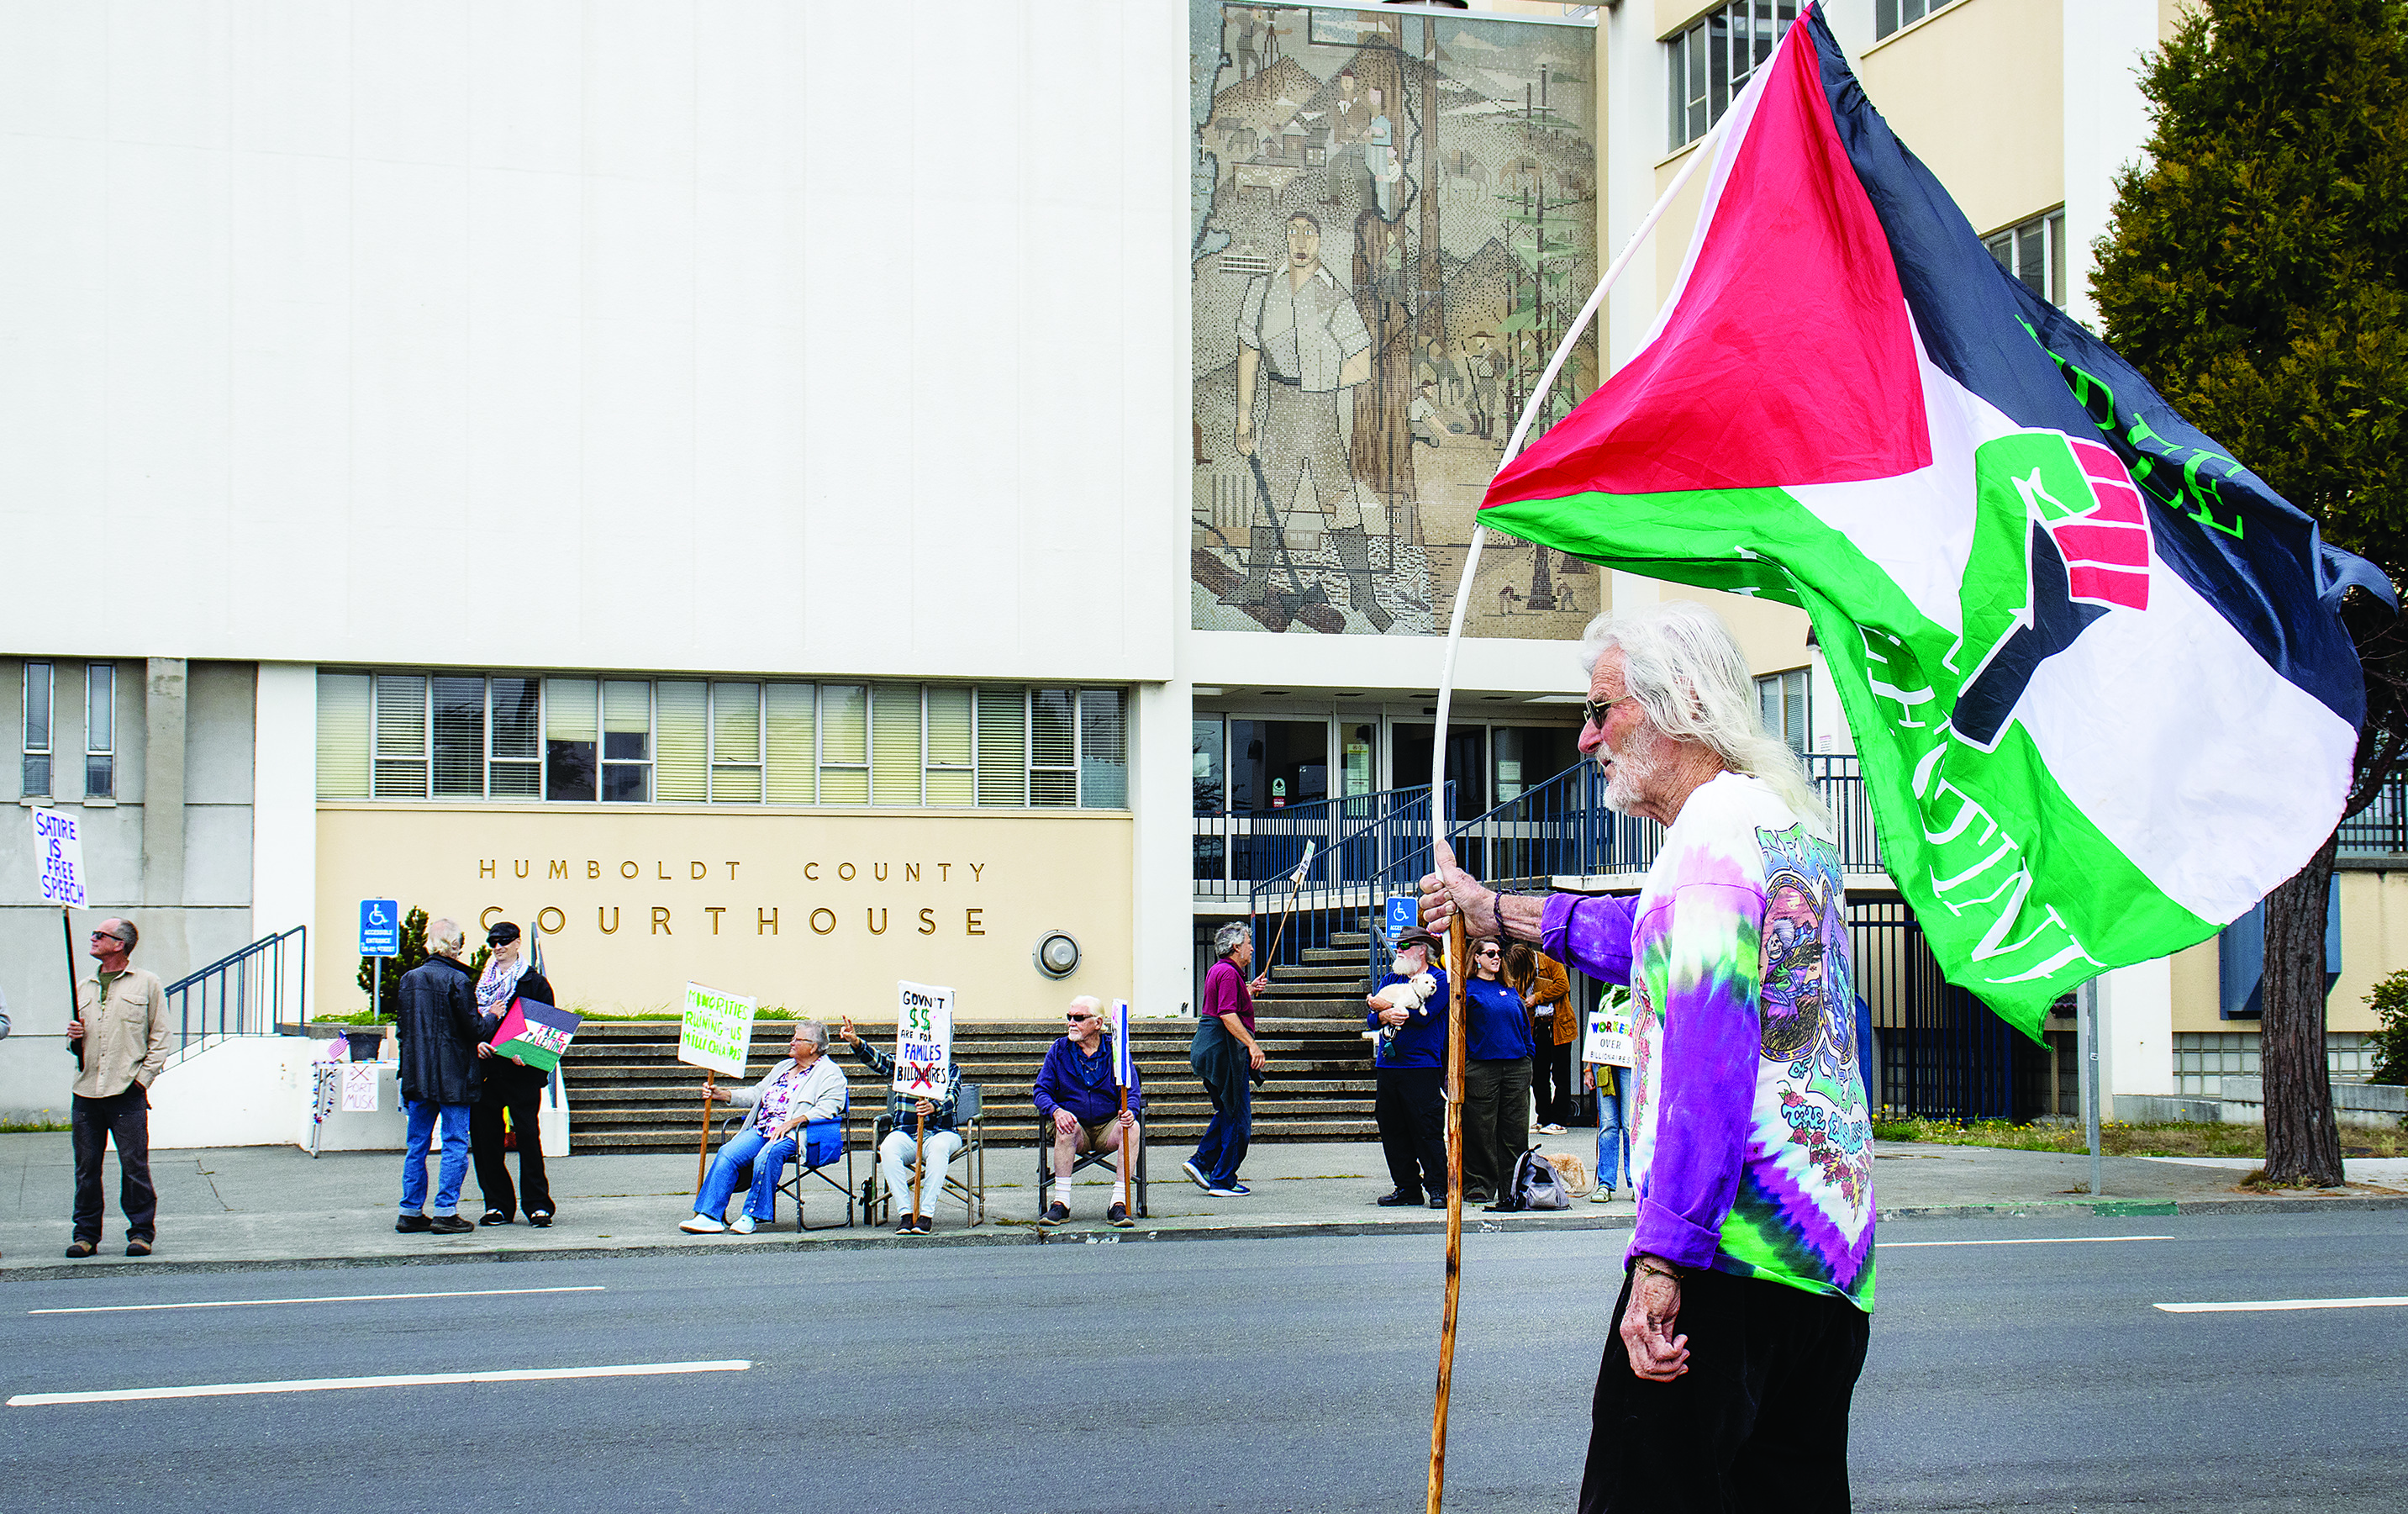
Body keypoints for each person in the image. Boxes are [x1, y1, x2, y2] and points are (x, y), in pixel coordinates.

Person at [1419, 600, 1876, 1511]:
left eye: (1603, 709)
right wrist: (1489, 907)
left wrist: (1662, 1261)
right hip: (1826, 1268)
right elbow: (1643, 936)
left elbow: (1711, 1063)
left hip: (1725, 1263)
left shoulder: (1706, 841)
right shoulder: (1783, 828)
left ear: (1685, 705)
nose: (1587, 739)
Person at [1230, 211, 1376, 618]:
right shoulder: (1262, 290)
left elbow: (1363, 361)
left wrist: (1323, 378)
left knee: (1340, 502)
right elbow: (1248, 353)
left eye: (1308, 232)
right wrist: (1245, 417)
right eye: (1292, 231)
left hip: (1321, 412)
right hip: (1279, 410)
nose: (1300, 240)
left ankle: (1363, 595)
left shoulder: (1335, 296)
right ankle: (1256, 587)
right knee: (1269, 500)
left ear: (1320, 240)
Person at [64, 917, 167, 1259]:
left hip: (127, 1092)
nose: (92, 938)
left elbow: (161, 1037)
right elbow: (77, 1043)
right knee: (86, 1169)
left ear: (119, 944)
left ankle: (140, 1234)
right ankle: (86, 1236)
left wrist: (141, 1081)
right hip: (87, 1092)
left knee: (134, 1167)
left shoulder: (147, 983)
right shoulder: (84, 986)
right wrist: (74, 1039)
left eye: (99, 935)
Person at [682, 1021, 846, 1235]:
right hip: (763, 1129)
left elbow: (829, 1108)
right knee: (728, 1152)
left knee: (767, 1155)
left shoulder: (830, 1073)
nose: (791, 1042)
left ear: (813, 1046)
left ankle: (751, 1215)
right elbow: (757, 1093)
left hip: (796, 1134)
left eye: (797, 1039)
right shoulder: (783, 1067)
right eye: (793, 1037)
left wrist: (793, 1122)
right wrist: (724, 1095)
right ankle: (709, 1216)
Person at [837, 1015, 966, 1235]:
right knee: (888, 1148)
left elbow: (953, 1097)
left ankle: (926, 1214)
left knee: (939, 1149)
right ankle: (906, 1213)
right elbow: (880, 1063)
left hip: (941, 1132)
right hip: (906, 1131)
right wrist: (856, 1043)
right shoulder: (903, 1066)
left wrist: (934, 1106)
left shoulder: (950, 1069)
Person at [394, 918, 482, 1236]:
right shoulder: (458, 980)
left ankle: (410, 1210)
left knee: (416, 1144)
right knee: (455, 1142)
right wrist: (495, 1016)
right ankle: (446, 1211)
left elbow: (403, 1031)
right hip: (454, 1076)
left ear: (429, 944)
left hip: (418, 1076)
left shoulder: (409, 979)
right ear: (455, 946)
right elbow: (474, 1029)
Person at [470, 921, 556, 1227]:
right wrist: (476, 1043)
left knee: (529, 1139)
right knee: (485, 1142)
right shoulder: (477, 984)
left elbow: (547, 1030)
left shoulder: (534, 983)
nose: (498, 946)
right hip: (486, 1073)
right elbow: (467, 1024)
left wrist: (530, 1055)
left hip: (521, 1074)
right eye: (493, 941)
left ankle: (537, 1205)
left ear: (519, 943)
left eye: (505, 941)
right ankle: (497, 1205)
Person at [1031, 995, 1142, 1227]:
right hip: (1075, 1126)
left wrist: (1130, 1110)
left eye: (1079, 1018)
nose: (1072, 1022)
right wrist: (1055, 1111)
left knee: (1132, 1128)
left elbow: (1132, 1090)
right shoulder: (1059, 1050)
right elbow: (1041, 1090)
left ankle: (1119, 1203)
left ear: (1098, 1023)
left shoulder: (1116, 1049)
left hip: (1107, 1125)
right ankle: (1061, 1203)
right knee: (1065, 1126)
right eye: (1069, 1017)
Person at [1186, 921, 1270, 1198]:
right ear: (1236, 947)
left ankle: (1201, 1163)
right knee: (1238, 1118)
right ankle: (1222, 1179)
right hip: (1222, 1052)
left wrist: (1250, 991)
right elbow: (1227, 1014)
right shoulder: (1229, 973)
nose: (1252, 948)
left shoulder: (1221, 971)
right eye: (1248, 943)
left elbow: (1227, 1003)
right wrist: (1252, 1046)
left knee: (1227, 1112)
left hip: (1211, 1051)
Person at [1366, 926, 1447, 1209]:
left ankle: (1438, 1187)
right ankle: (1406, 1187)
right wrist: (1385, 1013)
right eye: (1398, 945)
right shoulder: (1391, 978)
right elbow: (1371, 1019)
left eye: (1405, 946)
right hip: (1389, 1064)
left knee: (1427, 1127)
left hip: (1421, 1065)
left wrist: (1385, 1009)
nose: (1398, 950)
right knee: (1392, 1126)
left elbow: (1426, 1016)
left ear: (1422, 949)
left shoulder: (1439, 979)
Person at [1460, 936, 1534, 1208]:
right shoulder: (1467, 989)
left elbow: (1524, 1024)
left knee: (1515, 1130)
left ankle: (1513, 1186)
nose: (1496, 957)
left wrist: (1529, 1055)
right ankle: (1479, 1184)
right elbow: (1457, 1028)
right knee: (1480, 1129)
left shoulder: (1510, 988)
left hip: (1516, 1065)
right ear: (1476, 958)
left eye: (1498, 953)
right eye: (1489, 953)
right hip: (1482, 1066)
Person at [1510, 942, 1577, 1132]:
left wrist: (1537, 997)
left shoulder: (1550, 961)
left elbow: (1564, 985)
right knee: (1539, 1075)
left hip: (1559, 1025)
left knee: (1561, 1075)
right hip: (1537, 1027)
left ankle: (1559, 1119)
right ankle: (1543, 1117)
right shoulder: (1519, 969)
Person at [1583, 986, 1631, 1205]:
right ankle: (1605, 1183)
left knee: (1631, 1124)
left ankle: (1636, 1183)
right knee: (1608, 1124)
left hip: (1632, 1063)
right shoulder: (1607, 988)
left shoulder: (1642, 983)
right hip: (1604, 1063)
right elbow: (1596, 1029)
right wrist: (1588, 1067)